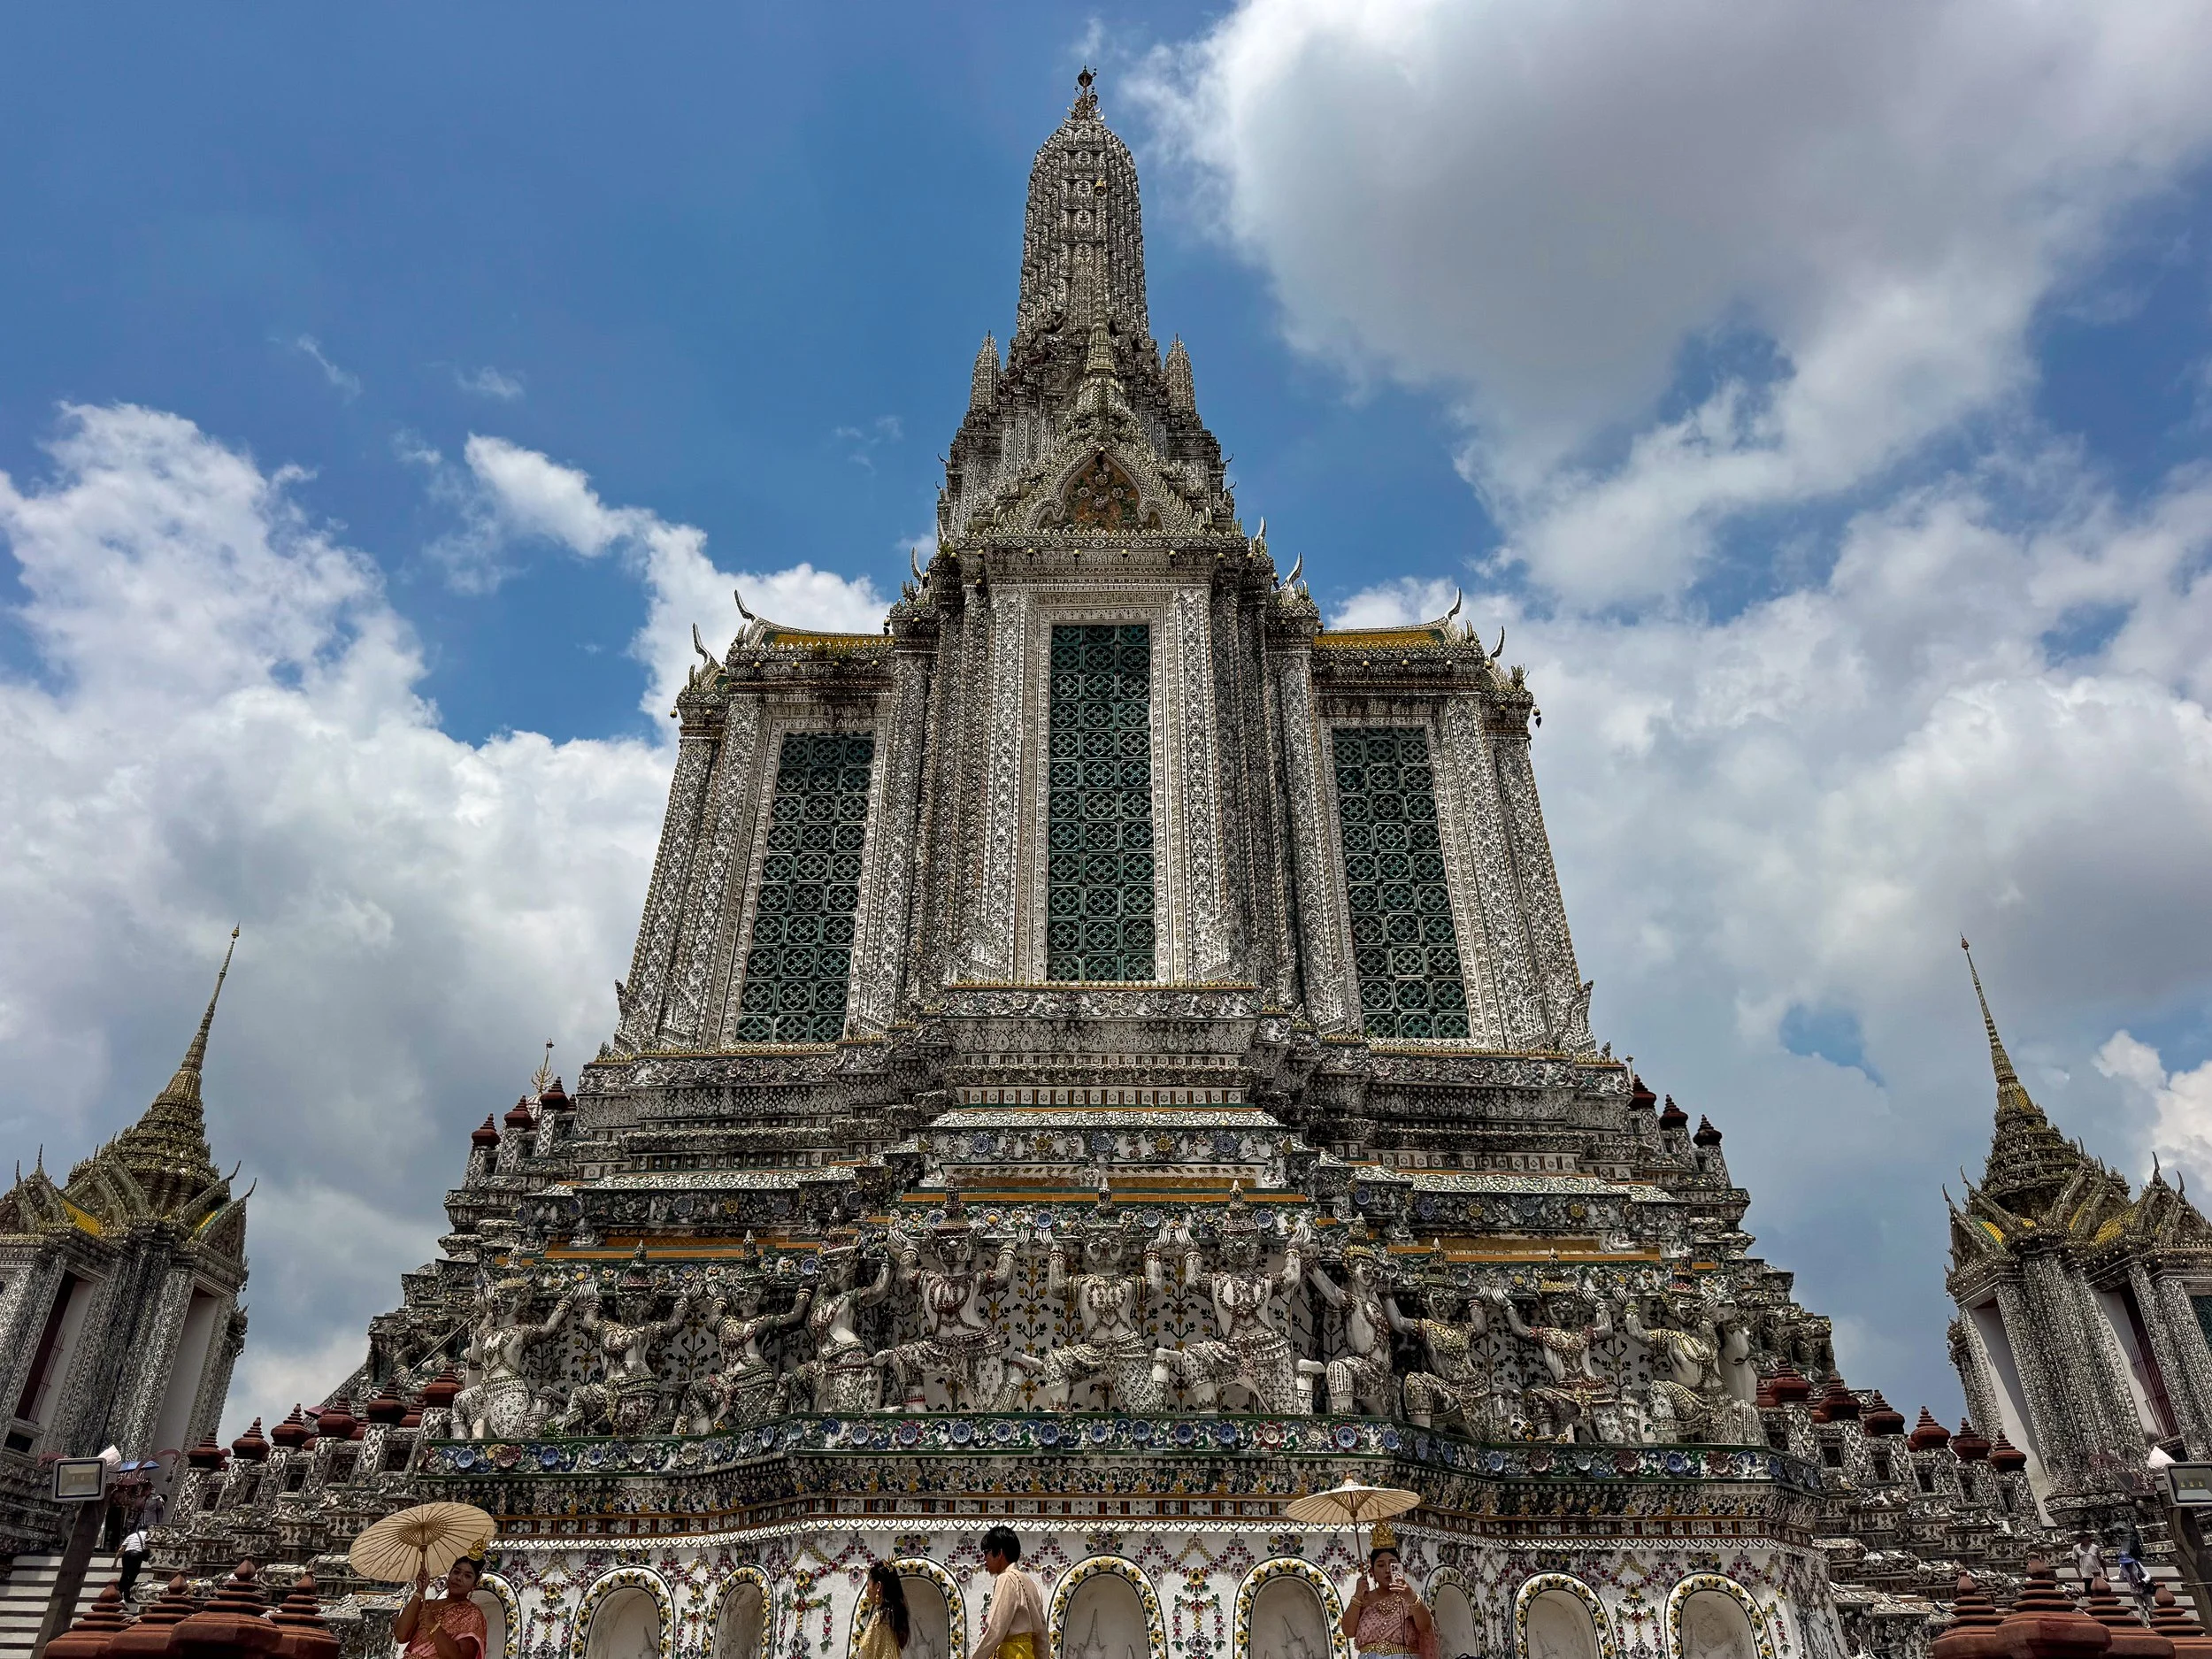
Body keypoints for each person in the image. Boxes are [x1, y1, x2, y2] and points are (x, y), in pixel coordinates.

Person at [1340, 1525, 1437, 1659]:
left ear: (1400, 1567)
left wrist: (1413, 1599)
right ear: (1372, 1571)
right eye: (1380, 1565)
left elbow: (1425, 1626)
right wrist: (1357, 1597)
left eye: (1392, 1564)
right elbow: (1348, 1631)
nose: (1387, 1570)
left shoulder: (1409, 1598)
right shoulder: (1364, 1599)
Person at [394, 1543, 491, 1659]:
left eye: (467, 1576)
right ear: (449, 1575)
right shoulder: (428, 1605)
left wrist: (434, 1626)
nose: (459, 1578)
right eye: (456, 1572)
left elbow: (458, 1657)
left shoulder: (472, 1615)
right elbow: (400, 1635)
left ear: (474, 1585)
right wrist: (420, 1591)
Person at [969, 1527, 1045, 1659]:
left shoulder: (1006, 1579)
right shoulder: (1033, 1585)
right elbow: (1042, 1636)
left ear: (999, 1553)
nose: (984, 1559)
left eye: (986, 1552)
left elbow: (995, 1629)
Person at [857, 1563, 910, 1659]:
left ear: (878, 1586)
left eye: (868, 1584)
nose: (867, 1590)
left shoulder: (881, 1618)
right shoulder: (891, 1615)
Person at [116, 1524, 148, 1602]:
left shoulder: (131, 1536)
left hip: (126, 1555)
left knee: (125, 1574)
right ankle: (127, 1594)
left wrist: (114, 1563)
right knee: (133, 1575)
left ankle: (119, 1592)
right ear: (146, 1529)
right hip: (137, 1554)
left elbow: (120, 1550)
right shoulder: (148, 1535)